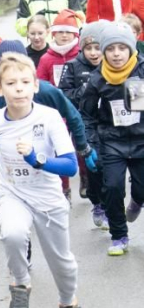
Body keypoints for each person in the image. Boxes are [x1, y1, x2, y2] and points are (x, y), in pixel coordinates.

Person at [0, 53, 81, 308]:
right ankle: (20, 283)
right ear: (0, 89)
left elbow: (70, 166)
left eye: (25, 82)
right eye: (11, 83)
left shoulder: (48, 118)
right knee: (12, 233)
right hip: (12, 193)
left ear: (36, 86)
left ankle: (68, 304)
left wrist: (38, 160)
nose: (19, 89)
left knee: (61, 261)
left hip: (47, 196)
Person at [80, 22, 144, 256]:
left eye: (122, 48)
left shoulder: (142, 71)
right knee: (113, 188)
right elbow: (86, 114)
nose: (116, 54)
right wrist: (90, 143)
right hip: (112, 141)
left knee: (142, 189)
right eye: (111, 49)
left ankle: (137, 200)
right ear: (104, 52)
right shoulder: (97, 78)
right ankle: (119, 236)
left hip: (141, 140)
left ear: (131, 49)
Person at [58, 21, 107, 208]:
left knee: (109, 165)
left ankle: (106, 200)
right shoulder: (72, 66)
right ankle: (94, 196)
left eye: (97, 48)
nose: (93, 53)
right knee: (91, 161)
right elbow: (63, 94)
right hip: (83, 122)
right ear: (81, 49)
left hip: (109, 122)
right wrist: (86, 90)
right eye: (88, 48)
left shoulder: (112, 65)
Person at [36, 9, 82, 86]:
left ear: (75, 34)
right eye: (60, 32)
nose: (64, 35)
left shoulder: (81, 55)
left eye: (68, 32)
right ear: (54, 34)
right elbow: (40, 85)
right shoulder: (45, 59)